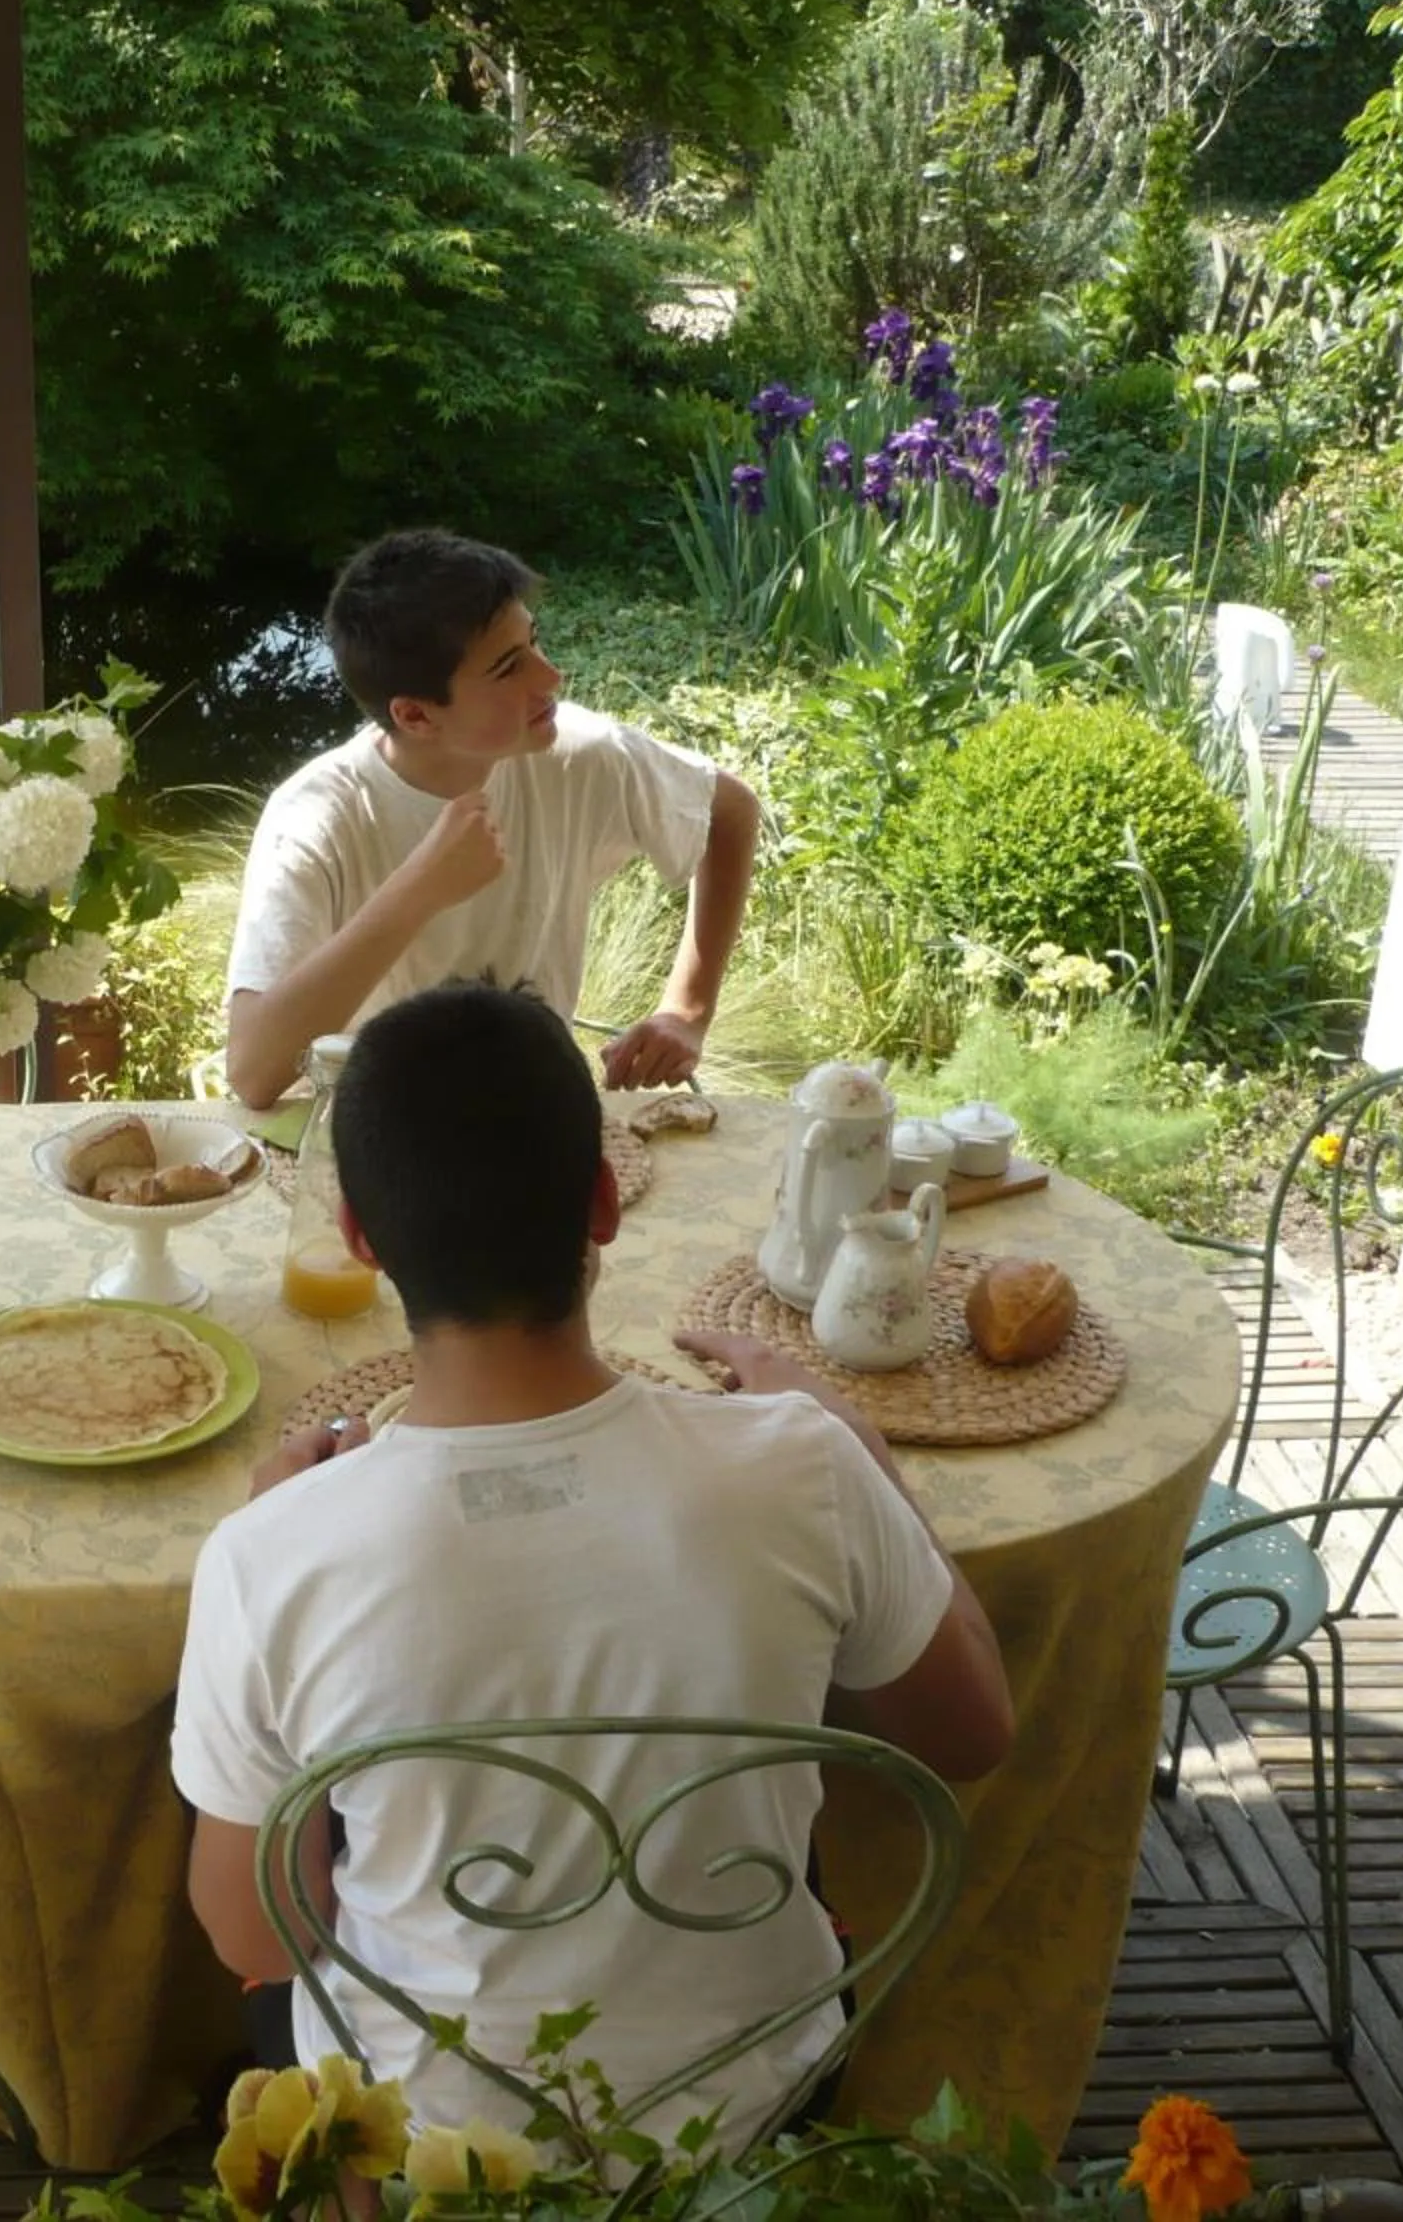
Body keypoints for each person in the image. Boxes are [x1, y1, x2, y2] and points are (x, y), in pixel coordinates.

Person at [170, 981, 1013, 2151]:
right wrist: (863, 1450)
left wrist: (271, 1528)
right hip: (753, 2103)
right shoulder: (801, 1466)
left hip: (442, 2150)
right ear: (605, 1203)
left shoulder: (270, 1554)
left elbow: (262, 1941)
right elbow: (971, 1737)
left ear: (361, 1239)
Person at [221, 529, 762, 1110]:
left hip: (536, 1114)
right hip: (374, 1132)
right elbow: (252, 1072)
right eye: (509, 668)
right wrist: (419, 890)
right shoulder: (315, 816)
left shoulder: (580, 756)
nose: (550, 677)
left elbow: (729, 810)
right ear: (415, 715)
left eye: (534, 642)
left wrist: (686, 1010)